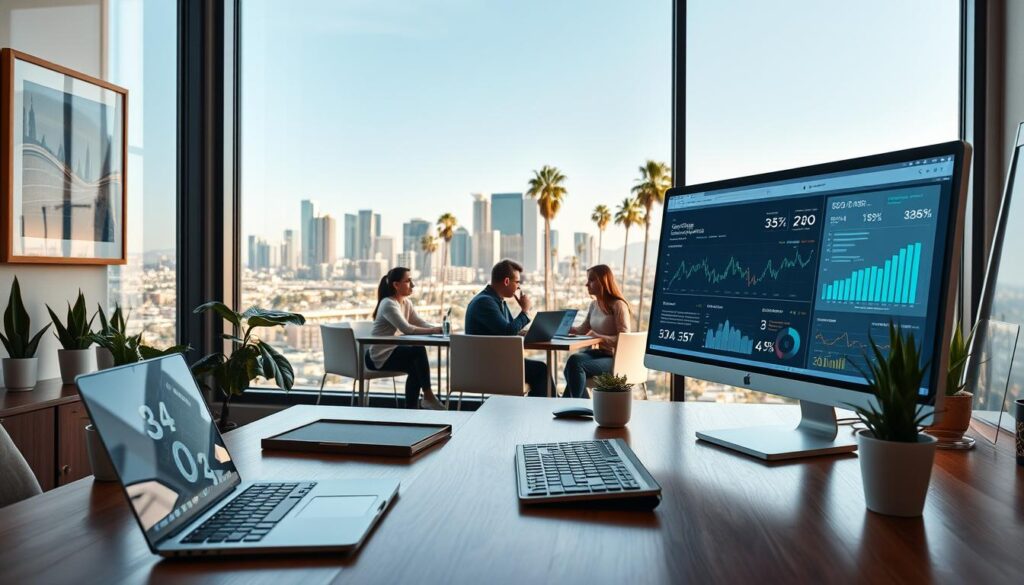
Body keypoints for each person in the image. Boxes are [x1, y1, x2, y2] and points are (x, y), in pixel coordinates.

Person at [464, 259, 551, 397]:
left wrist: (530, 332)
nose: (518, 287)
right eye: (517, 282)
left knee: (540, 369)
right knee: (541, 370)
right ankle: (540, 414)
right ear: (506, 281)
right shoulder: (485, 302)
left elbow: (510, 329)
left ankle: (538, 412)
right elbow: (508, 331)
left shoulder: (497, 301)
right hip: (488, 368)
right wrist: (525, 311)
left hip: (495, 362)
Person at [366, 267, 446, 410]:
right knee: (418, 351)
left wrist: (440, 329)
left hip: (393, 351)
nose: (413, 285)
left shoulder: (406, 303)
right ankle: (428, 396)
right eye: (408, 281)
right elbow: (407, 329)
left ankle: (411, 409)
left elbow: (419, 322)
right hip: (379, 356)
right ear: (396, 285)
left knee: (416, 368)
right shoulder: (388, 303)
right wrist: (434, 330)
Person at [563, 264, 632, 398]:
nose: (586, 284)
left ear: (604, 281)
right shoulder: (593, 305)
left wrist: (599, 337)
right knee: (571, 366)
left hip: (614, 359)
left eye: (591, 280)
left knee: (575, 363)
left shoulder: (618, 305)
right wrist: (561, 327)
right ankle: (577, 405)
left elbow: (625, 341)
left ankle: (574, 405)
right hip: (597, 355)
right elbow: (582, 330)